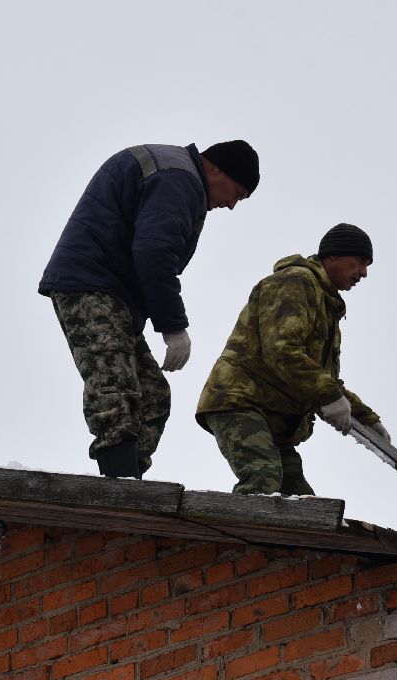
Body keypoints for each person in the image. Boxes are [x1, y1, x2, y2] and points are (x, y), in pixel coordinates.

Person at [39, 140, 260, 478]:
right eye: (237, 193)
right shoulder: (180, 178)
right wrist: (173, 326)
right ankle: (120, 491)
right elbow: (156, 253)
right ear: (215, 168)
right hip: (89, 283)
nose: (231, 204)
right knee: (114, 384)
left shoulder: (180, 175)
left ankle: (130, 480)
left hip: (113, 293)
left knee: (152, 394)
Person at [196, 223, 390, 496]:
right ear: (333, 257)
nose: (364, 273)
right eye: (359, 262)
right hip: (240, 401)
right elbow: (282, 351)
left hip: (273, 416)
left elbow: (322, 376)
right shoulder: (294, 283)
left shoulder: (326, 303)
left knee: (300, 501)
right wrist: (329, 395)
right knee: (263, 480)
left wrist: (365, 418)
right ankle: (240, 537)